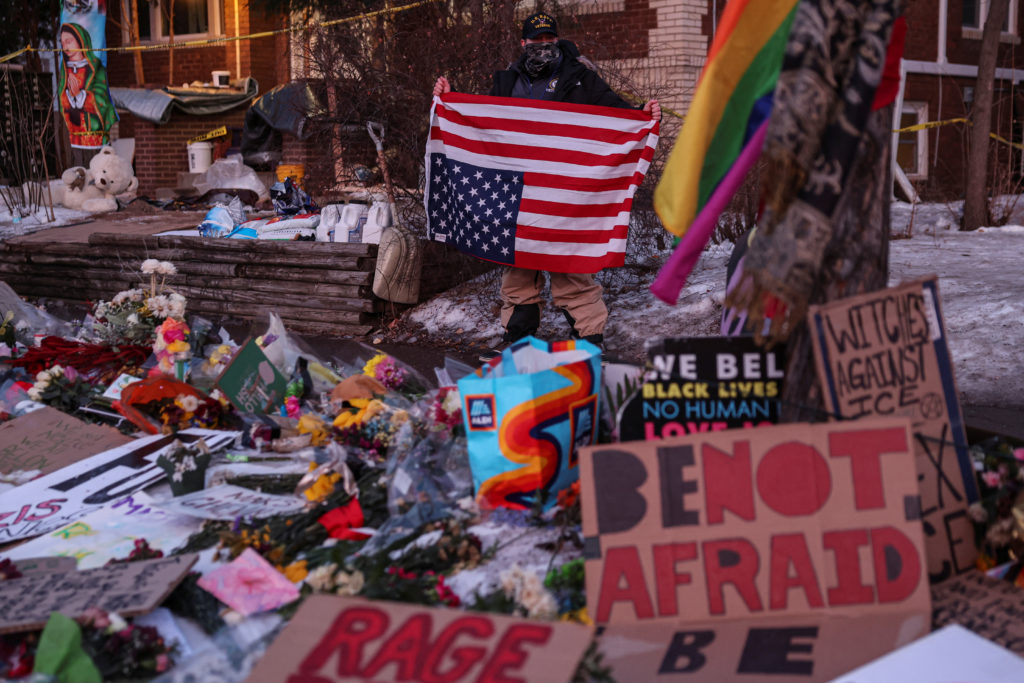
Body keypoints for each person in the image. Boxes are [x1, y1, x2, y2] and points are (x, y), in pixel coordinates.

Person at [433, 12, 660, 362]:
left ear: (557, 40)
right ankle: (518, 343)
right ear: (523, 43)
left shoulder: (581, 78)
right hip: (518, 193)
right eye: (535, 40)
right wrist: (451, 101)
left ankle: (589, 344)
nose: (543, 46)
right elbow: (485, 123)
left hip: (567, 192)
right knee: (519, 269)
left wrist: (641, 114)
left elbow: (616, 115)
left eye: (548, 39)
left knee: (573, 270)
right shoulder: (508, 81)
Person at [58, 22, 118, 152]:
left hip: (95, 138)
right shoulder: (64, 70)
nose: (65, 46)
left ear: (80, 39)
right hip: (74, 139)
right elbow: (62, 100)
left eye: (69, 41)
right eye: (62, 43)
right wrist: (70, 98)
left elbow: (102, 98)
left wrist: (80, 96)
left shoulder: (95, 68)